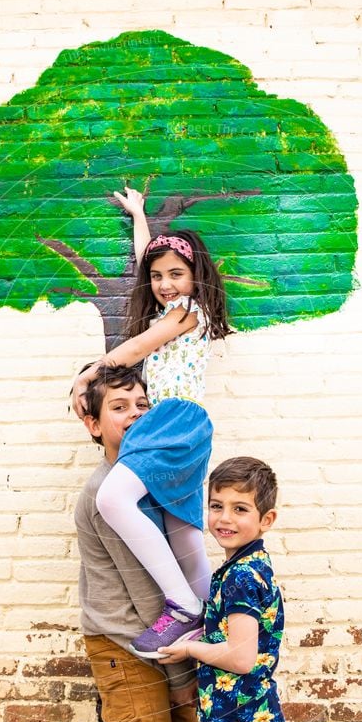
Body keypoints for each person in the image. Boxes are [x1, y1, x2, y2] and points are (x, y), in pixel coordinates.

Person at [72, 187, 231, 657]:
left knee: (114, 497)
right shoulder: (171, 304)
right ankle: (213, 622)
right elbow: (148, 259)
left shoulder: (186, 312)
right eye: (158, 277)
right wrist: (140, 214)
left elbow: (138, 348)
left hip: (174, 421)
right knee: (181, 531)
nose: (164, 284)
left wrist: (89, 375)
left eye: (176, 275)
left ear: (195, 277)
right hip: (174, 425)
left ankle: (181, 605)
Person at [75, 363, 206, 722]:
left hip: (166, 641)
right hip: (126, 643)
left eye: (142, 404)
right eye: (119, 406)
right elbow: (148, 592)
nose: (135, 413)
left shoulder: (152, 482)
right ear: (93, 426)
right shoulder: (107, 494)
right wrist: (182, 673)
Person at [159, 457, 285, 722]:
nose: (224, 518)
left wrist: (189, 650)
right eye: (217, 506)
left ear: (266, 519)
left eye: (240, 509)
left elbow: (240, 657)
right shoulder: (252, 564)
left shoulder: (240, 576)